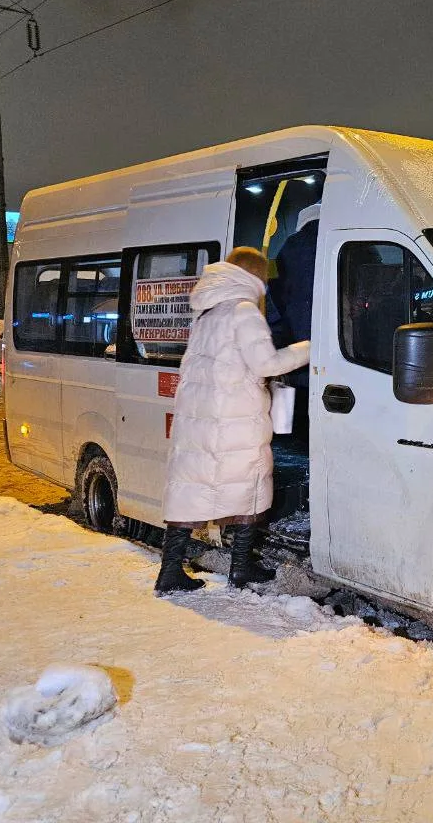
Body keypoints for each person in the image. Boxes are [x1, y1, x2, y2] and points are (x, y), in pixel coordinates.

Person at [155, 247, 310, 594]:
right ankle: (241, 567)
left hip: (202, 420)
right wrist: (308, 348)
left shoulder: (208, 313)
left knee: (190, 491)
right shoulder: (243, 311)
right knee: (250, 489)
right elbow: (266, 364)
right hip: (235, 420)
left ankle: (170, 571)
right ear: (254, 278)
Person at [266, 203, 319, 439]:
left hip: (296, 363)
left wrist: (282, 338)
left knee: (296, 434)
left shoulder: (289, 248)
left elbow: (274, 299)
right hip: (341, 363)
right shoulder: (343, 240)